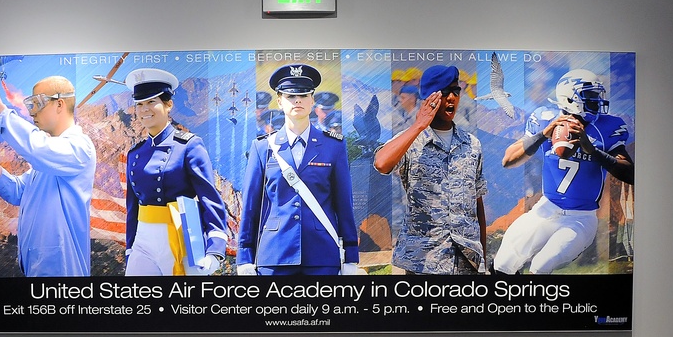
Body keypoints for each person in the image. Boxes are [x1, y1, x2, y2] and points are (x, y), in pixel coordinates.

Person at [494, 69, 634, 274]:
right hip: (546, 209)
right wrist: (543, 135)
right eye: (591, 96)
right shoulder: (544, 118)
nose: (598, 101)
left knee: (541, 266)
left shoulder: (608, 127)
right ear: (571, 98)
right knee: (503, 263)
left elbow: (629, 174)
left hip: (580, 217)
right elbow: (508, 160)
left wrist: (593, 151)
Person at [237, 64, 360, 275]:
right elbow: (251, 207)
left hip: (321, 255)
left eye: (304, 95)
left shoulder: (334, 146)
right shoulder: (263, 147)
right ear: (279, 101)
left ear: (312, 100)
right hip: (275, 255)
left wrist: (350, 255)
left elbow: (343, 203)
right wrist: (245, 256)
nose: (297, 101)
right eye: (290, 96)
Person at [0, 77, 96, 277]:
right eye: (30, 104)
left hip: (62, 272)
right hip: (38, 269)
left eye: (37, 103)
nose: (32, 111)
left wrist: (3, 113)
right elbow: (19, 192)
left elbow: (39, 149)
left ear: (59, 104)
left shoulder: (80, 147)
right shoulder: (51, 157)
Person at [373, 65, 487, 274]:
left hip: (466, 262)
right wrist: (419, 125)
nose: (451, 98)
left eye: (455, 91)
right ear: (427, 98)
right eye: (444, 92)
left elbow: (477, 204)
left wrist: (484, 262)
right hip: (424, 263)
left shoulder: (472, 144)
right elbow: (381, 164)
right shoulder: (410, 141)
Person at [123, 68, 228, 276]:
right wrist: (130, 246)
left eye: (152, 102)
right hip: (143, 240)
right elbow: (132, 207)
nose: (145, 109)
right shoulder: (135, 153)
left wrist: (215, 248)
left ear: (168, 104)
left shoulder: (189, 145)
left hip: (183, 237)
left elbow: (210, 198)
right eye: (140, 104)